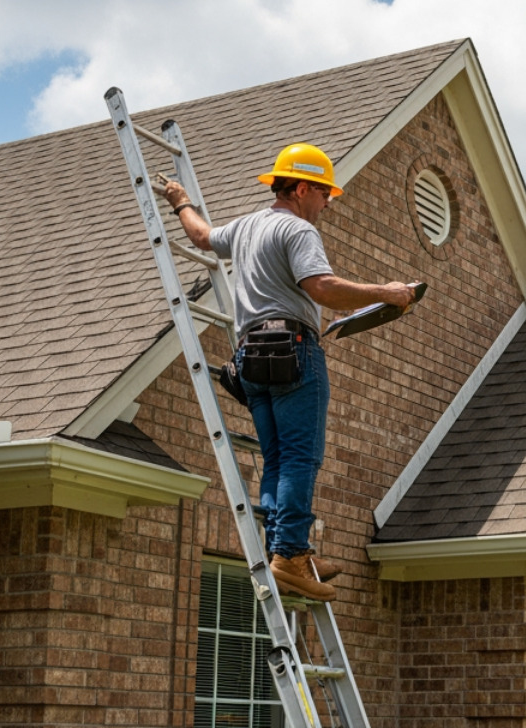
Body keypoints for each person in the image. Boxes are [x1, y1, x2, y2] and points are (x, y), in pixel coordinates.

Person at [164, 142, 414, 602]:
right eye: (324, 194)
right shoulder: (298, 231)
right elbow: (322, 288)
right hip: (294, 350)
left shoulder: (245, 227)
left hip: (252, 358)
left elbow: (201, 237)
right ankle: (290, 557)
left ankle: (289, 547)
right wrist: (389, 292)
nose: (327, 203)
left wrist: (181, 201)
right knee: (301, 458)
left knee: (278, 459)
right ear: (301, 188)